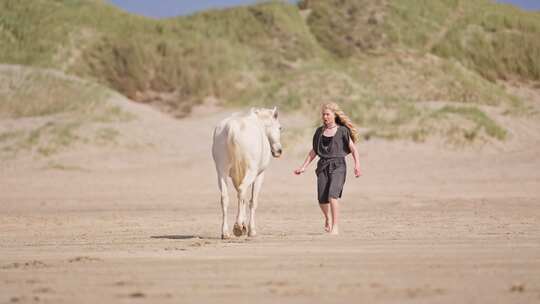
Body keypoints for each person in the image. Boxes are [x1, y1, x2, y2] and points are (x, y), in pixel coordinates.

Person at [294, 102, 361, 235]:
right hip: (323, 166)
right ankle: (327, 218)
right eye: (323, 114)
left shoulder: (343, 131)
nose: (325, 117)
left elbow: (353, 149)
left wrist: (357, 165)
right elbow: (314, 151)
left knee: (332, 196)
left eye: (328, 114)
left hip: (338, 166)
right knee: (322, 199)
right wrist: (303, 167)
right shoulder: (319, 131)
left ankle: (335, 226)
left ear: (334, 115)